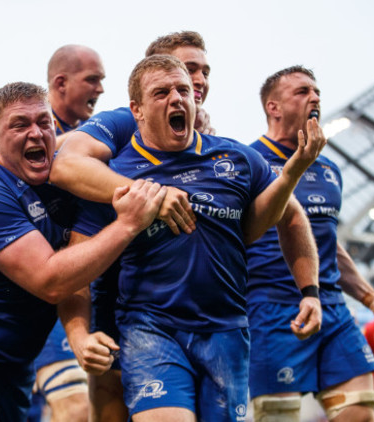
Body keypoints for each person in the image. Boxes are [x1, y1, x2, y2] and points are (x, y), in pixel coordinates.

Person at [68, 54, 324, 421]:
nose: (177, 99)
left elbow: (281, 218)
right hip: (150, 330)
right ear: (136, 110)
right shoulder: (114, 174)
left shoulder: (236, 157)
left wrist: (293, 171)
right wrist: (79, 335)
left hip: (227, 331)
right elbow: (76, 265)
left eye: (183, 90)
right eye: (162, 93)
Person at [0, 81, 166, 422]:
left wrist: (185, 117)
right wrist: (128, 223)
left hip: (15, 360)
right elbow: (52, 280)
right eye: (19, 124)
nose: (36, 133)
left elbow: (77, 268)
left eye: (44, 123)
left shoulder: (64, 177)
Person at [49, 31, 214, 422]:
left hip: (202, 316)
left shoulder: (215, 143)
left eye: (204, 71)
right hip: (120, 298)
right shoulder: (124, 120)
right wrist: (152, 198)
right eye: (187, 69)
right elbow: (65, 164)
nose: (198, 80)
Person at [245, 65, 374, 422]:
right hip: (273, 308)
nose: (314, 98)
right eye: (302, 92)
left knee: (360, 411)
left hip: (331, 306)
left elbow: (327, 242)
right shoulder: (247, 162)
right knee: (276, 416)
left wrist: (368, 296)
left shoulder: (329, 169)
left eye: (316, 92)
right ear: (273, 107)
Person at [28, 44, 107, 422]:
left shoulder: (91, 136)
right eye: (93, 79)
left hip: (82, 289)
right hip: (38, 295)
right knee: (75, 408)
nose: (101, 89)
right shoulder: (31, 137)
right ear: (61, 83)